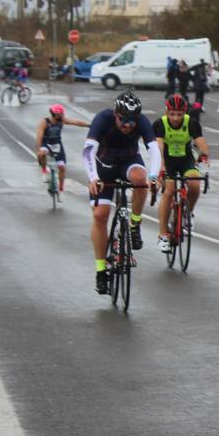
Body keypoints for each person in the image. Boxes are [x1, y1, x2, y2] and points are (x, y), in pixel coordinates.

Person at [84, 92, 162, 293]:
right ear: (115, 114)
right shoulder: (103, 119)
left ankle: (135, 225)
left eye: (132, 120)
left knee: (140, 180)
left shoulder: (142, 121)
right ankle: (101, 270)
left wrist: (154, 176)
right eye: (123, 119)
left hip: (129, 161)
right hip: (104, 167)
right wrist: (93, 178)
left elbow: (153, 150)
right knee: (100, 216)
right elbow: (88, 151)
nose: (128, 125)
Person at [152, 93, 209, 252]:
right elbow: (159, 149)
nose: (175, 118)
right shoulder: (160, 124)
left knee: (195, 184)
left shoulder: (192, 123)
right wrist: (161, 169)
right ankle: (163, 234)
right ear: (167, 112)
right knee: (169, 192)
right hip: (167, 161)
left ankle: (187, 213)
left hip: (186, 160)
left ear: (184, 113)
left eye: (179, 114)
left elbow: (200, 142)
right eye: (172, 114)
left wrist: (204, 154)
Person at [36, 104, 90, 193]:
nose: (61, 116)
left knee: (62, 167)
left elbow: (76, 122)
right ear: (53, 114)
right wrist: (38, 150)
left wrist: (89, 125)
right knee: (42, 153)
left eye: (62, 114)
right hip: (46, 143)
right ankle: (44, 171)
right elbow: (39, 137)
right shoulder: (45, 122)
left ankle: (61, 188)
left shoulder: (62, 120)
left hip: (57, 144)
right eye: (59, 114)